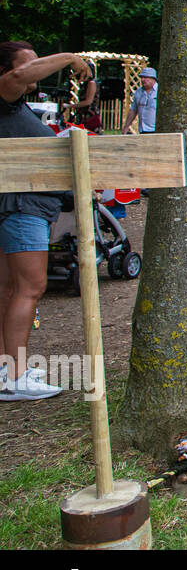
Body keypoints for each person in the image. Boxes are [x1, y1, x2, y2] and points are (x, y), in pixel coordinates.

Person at [0, 42, 91, 400]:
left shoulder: (16, 107)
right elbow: (20, 75)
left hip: (22, 205)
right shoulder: (5, 95)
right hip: (22, 207)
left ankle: (8, 367)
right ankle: (17, 375)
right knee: (31, 287)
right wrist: (70, 58)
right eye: (31, 64)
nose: (36, 70)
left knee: (9, 289)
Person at [62, 61, 100, 132]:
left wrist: (69, 106)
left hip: (89, 116)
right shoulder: (85, 83)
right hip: (83, 114)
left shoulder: (91, 83)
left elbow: (88, 102)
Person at [122, 66, 158, 134]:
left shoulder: (159, 91)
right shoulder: (138, 92)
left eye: (146, 77)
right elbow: (133, 110)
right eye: (141, 77)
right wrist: (126, 127)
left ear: (153, 79)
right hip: (142, 130)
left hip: (156, 130)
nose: (143, 80)